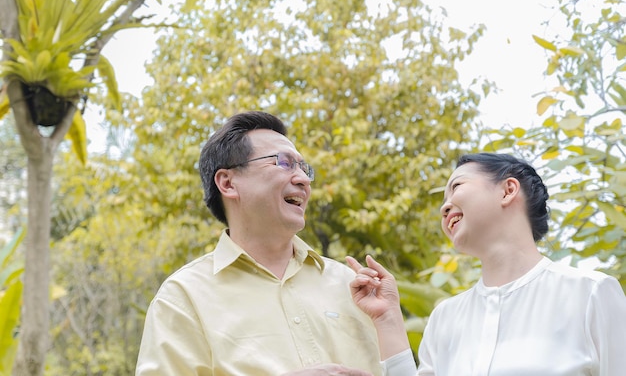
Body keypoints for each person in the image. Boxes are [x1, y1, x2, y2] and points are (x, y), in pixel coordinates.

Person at [136, 111, 382, 376]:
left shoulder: (352, 285)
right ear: (228, 183)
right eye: (285, 163)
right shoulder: (182, 298)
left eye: (304, 168)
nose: (303, 179)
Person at [347, 152, 626, 376]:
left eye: (456, 186)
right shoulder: (445, 318)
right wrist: (387, 320)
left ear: (508, 190)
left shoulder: (590, 294)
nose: (444, 207)